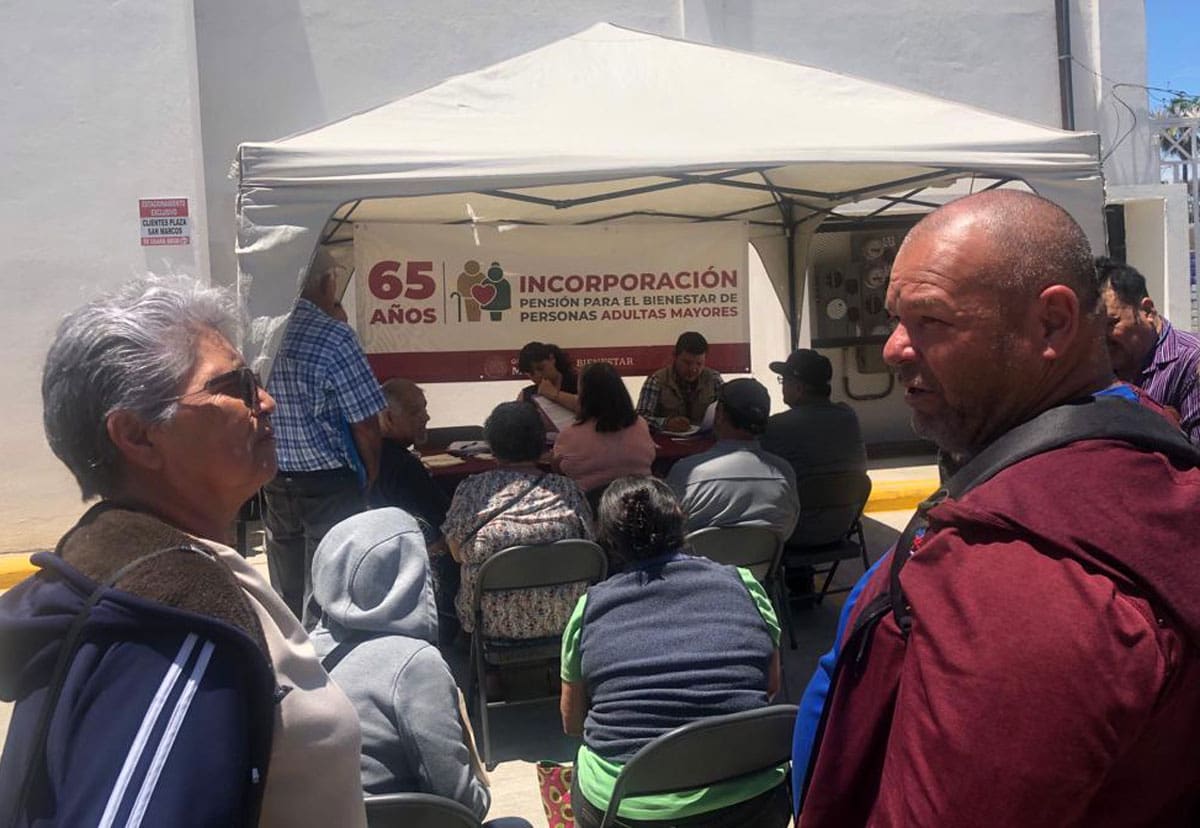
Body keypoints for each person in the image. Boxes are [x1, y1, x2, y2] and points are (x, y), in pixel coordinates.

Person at [796, 191, 1200, 826]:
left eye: (931, 320)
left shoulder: (1016, 574)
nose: (893, 348)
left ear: (1053, 325)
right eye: (897, 318)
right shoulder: (1146, 451)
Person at [0, 277, 366, 827]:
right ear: (138, 436)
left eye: (257, 382)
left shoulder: (161, 578)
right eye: (235, 387)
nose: (266, 401)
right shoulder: (173, 619)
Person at [559, 476, 790, 827]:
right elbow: (770, 685)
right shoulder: (743, 583)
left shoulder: (589, 608)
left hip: (625, 811)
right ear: (680, 517)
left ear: (608, 539)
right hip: (752, 802)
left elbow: (573, 722)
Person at [308, 509, 532, 828]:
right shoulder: (415, 663)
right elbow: (462, 803)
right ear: (409, 574)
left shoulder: (302, 651)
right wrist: (480, 789)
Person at [264, 246, 387, 625]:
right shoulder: (334, 336)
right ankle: (323, 667)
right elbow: (366, 423)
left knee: (285, 582)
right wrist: (370, 476)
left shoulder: (260, 332)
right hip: (328, 480)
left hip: (273, 476)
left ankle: (289, 659)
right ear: (325, 281)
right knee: (329, 587)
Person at [442, 401, 594, 639]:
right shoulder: (568, 491)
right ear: (541, 444)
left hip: (492, 622)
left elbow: (455, 552)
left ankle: (489, 672)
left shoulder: (471, 490)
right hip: (565, 616)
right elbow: (590, 544)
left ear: (491, 446)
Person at [370, 377, 459, 638]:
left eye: (425, 407)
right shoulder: (402, 465)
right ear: (387, 418)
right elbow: (448, 518)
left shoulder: (376, 456)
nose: (426, 416)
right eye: (415, 411)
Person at [666, 378, 799, 543]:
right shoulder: (784, 472)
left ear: (719, 413)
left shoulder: (687, 473)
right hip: (763, 567)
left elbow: (669, 533)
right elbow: (788, 527)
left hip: (702, 566)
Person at [1096, 256, 1200, 442]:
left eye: (1111, 323)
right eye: (1094, 328)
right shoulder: (1098, 367)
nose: (1101, 337)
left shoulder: (1191, 363)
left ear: (1148, 311)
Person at [552, 361, 656, 496]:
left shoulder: (569, 435)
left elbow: (559, 469)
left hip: (591, 511)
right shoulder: (641, 424)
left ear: (584, 395)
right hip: (642, 504)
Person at [762, 348, 867, 479]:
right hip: (848, 498)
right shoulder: (847, 416)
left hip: (800, 499)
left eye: (784, 381)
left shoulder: (777, 426)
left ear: (799, 388)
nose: (782, 387)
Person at [636, 331, 724, 431]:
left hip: (705, 442)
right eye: (687, 363)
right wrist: (665, 423)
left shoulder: (713, 379)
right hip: (666, 443)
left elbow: (728, 414)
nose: (693, 369)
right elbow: (640, 419)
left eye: (699, 364)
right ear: (675, 356)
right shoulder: (656, 380)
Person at [517, 340, 580, 413]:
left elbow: (591, 408)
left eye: (541, 368)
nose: (538, 375)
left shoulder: (579, 382)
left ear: (552, 359)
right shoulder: (526, 395)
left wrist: (555, 395)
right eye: (531, 374)